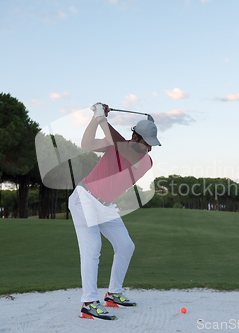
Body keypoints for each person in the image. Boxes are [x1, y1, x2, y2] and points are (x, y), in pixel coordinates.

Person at [69, 103, 161, 321]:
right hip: (85, 199)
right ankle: (89, 303)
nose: (150, 149)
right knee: (93, 249)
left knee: (126, 246)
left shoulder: (145, 160)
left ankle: (113, 294)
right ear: (136, 137)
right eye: (147, 143)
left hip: (105, 206)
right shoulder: (119, 145)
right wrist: (95, 119)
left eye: (152, 145)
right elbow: (87, 143)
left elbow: (124, 148)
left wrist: (103, 119)